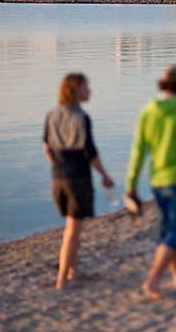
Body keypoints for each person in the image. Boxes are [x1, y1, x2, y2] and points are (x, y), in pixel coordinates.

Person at [125, 66, 176, 300]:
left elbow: (138, 151)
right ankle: (153, 279)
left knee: (169, 227)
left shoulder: (148, 112)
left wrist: (131, 184)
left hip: (157, 181)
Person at [43, 73, 114, 290]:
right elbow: (90, 152)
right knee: (73, 230)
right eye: (86, 87)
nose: (89, 91)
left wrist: (56, 165)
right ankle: (62, 279)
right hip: (78, 178)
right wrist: (104, 175)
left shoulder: (52, 115)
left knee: (72, 226)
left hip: (58, 177)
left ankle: (73, 270)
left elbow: (47, 146)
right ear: (75, 91)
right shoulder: (81, 117)